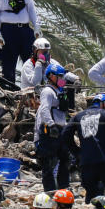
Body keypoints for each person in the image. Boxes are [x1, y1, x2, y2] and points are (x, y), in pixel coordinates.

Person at [34, 63, 76, 191]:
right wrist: (51, 125)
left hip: (61, 129)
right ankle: (50, 191)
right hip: (50, 131)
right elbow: (44, 110)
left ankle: (63, 187)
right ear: (51, 76)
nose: (62, 79)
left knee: (66, 159)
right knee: (49, 163)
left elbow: (68, 108)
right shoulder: (47, 91)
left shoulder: (60, 91)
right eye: (60, 76)